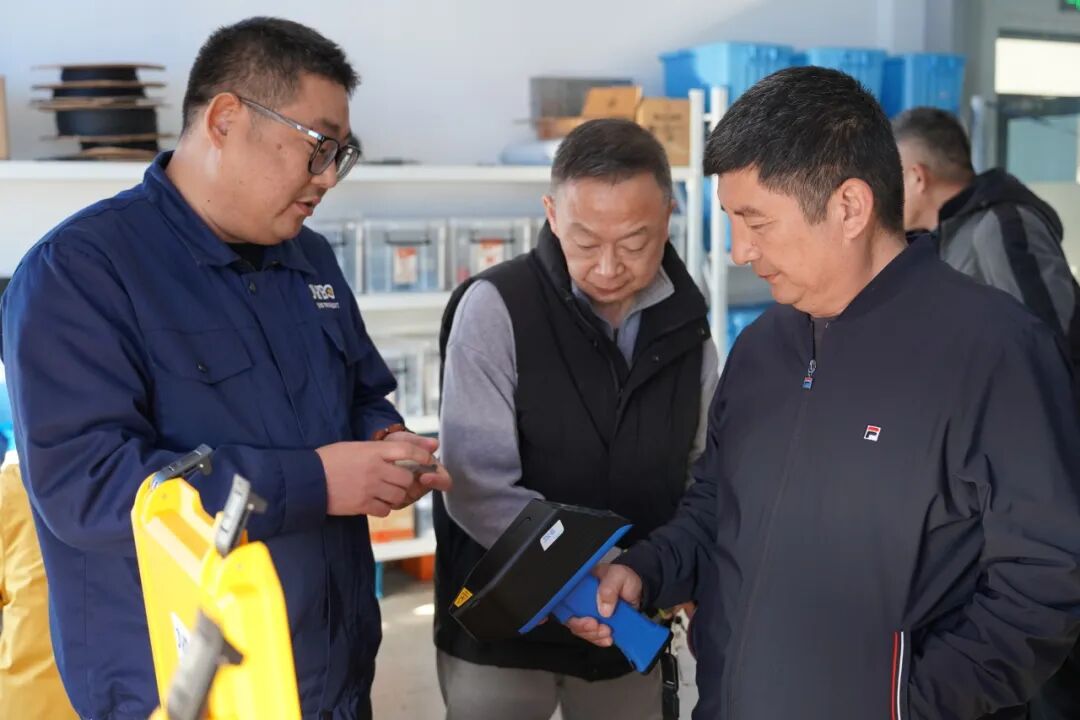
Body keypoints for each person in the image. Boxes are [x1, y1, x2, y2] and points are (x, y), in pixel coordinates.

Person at [568, 67, 1080, 720]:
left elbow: (1043, 581)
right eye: (730, 221)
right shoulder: (762, 350)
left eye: (756, 222)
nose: (739, 251)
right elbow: (716, 507)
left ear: (849, 208)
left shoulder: (995, 353)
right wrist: (643, 572)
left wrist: (905, 703)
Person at [0, 17, 450, 720]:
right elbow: (88, 489)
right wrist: (318, 480)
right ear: (225, 119)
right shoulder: (79, 274)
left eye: (342, 154)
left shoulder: (310, 258)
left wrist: (385, 440)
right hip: (183, 691)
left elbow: (362, 390)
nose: (328, 177)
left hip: (331, 675)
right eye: (318, 146)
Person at [434, 118, 719, 720]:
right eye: (586, 243)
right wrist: (593, 573)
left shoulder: (687, 325)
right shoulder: (496, 307)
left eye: (635, 243)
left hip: (628, 621)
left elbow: (704, 471)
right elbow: (474, 484)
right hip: (503, 631)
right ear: (552, 214)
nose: (609, 267)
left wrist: (663, 571)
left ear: (668, 215)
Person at [893, 106, 1080, 383]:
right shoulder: (945, 238)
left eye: (893, 179)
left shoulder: (999, 226)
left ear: (918, 177)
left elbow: (1051, 344)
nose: (888, 195)